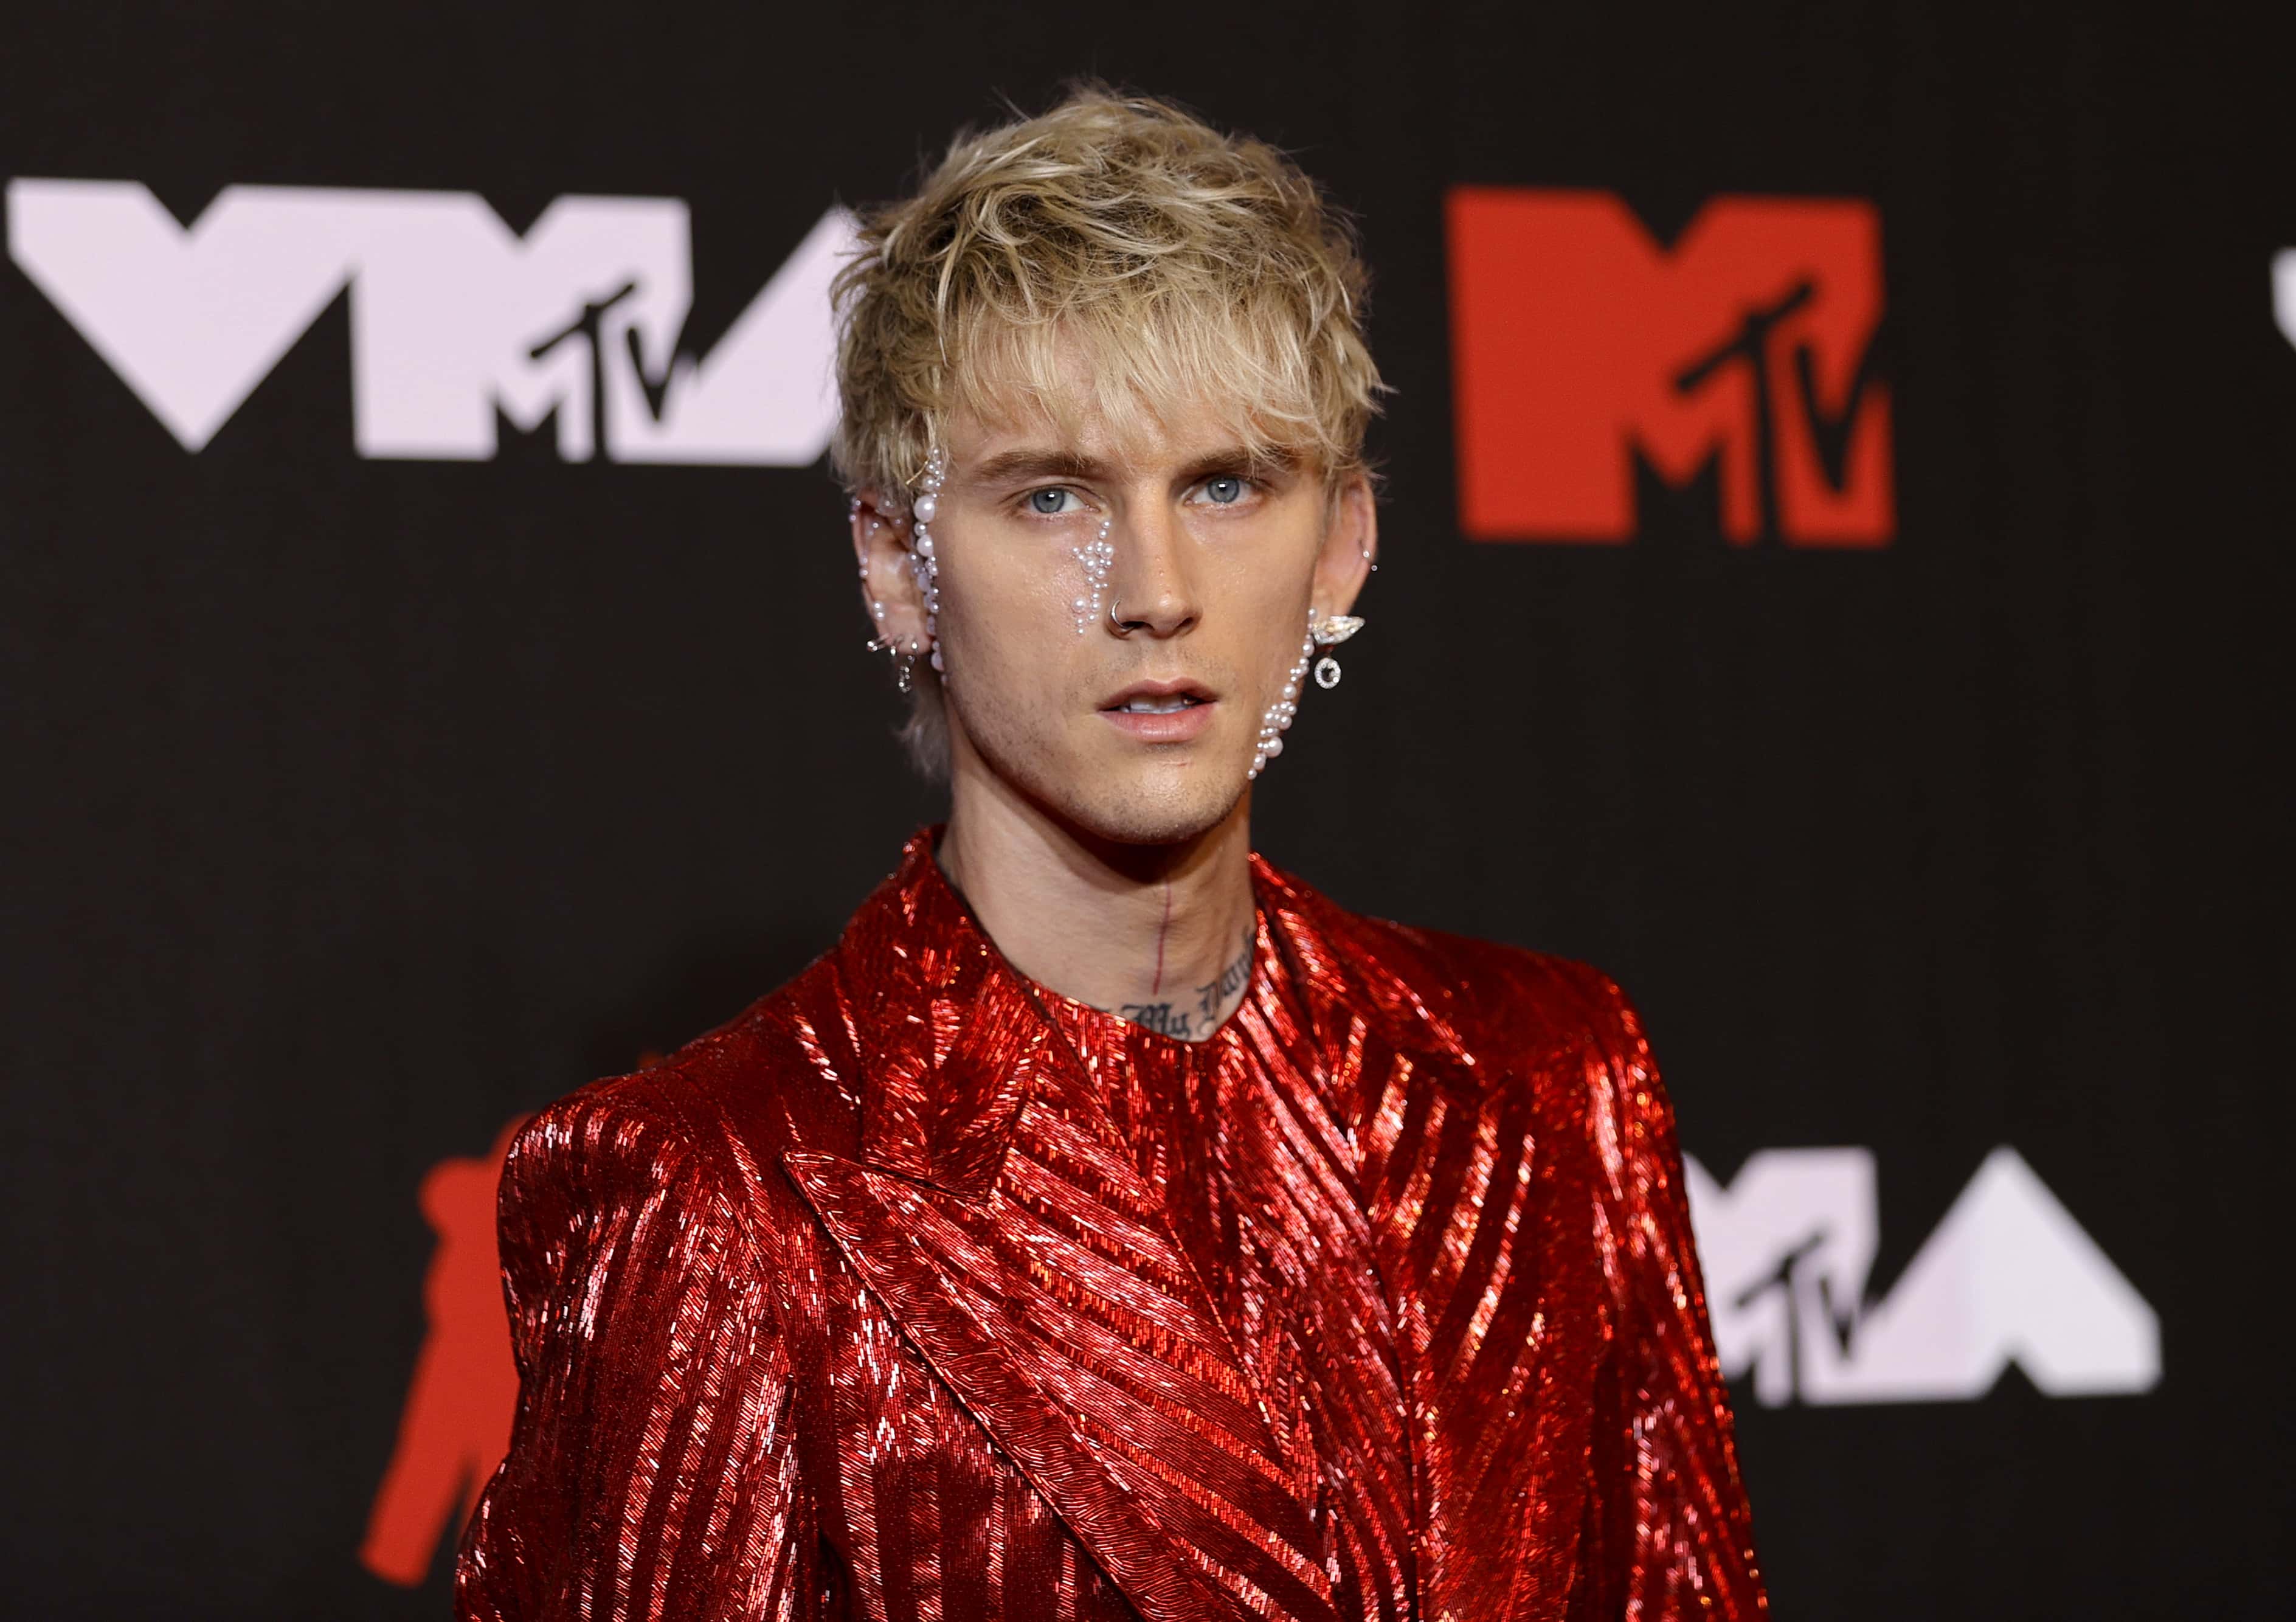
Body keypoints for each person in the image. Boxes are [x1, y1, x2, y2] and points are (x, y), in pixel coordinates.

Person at [456, 88, 1766, 1622]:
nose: (1152, 586)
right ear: (896, 564)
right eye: (1052, 494)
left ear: (1341, 544)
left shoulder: (1552, 1083)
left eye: (1223, 484)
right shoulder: (715, 1193)